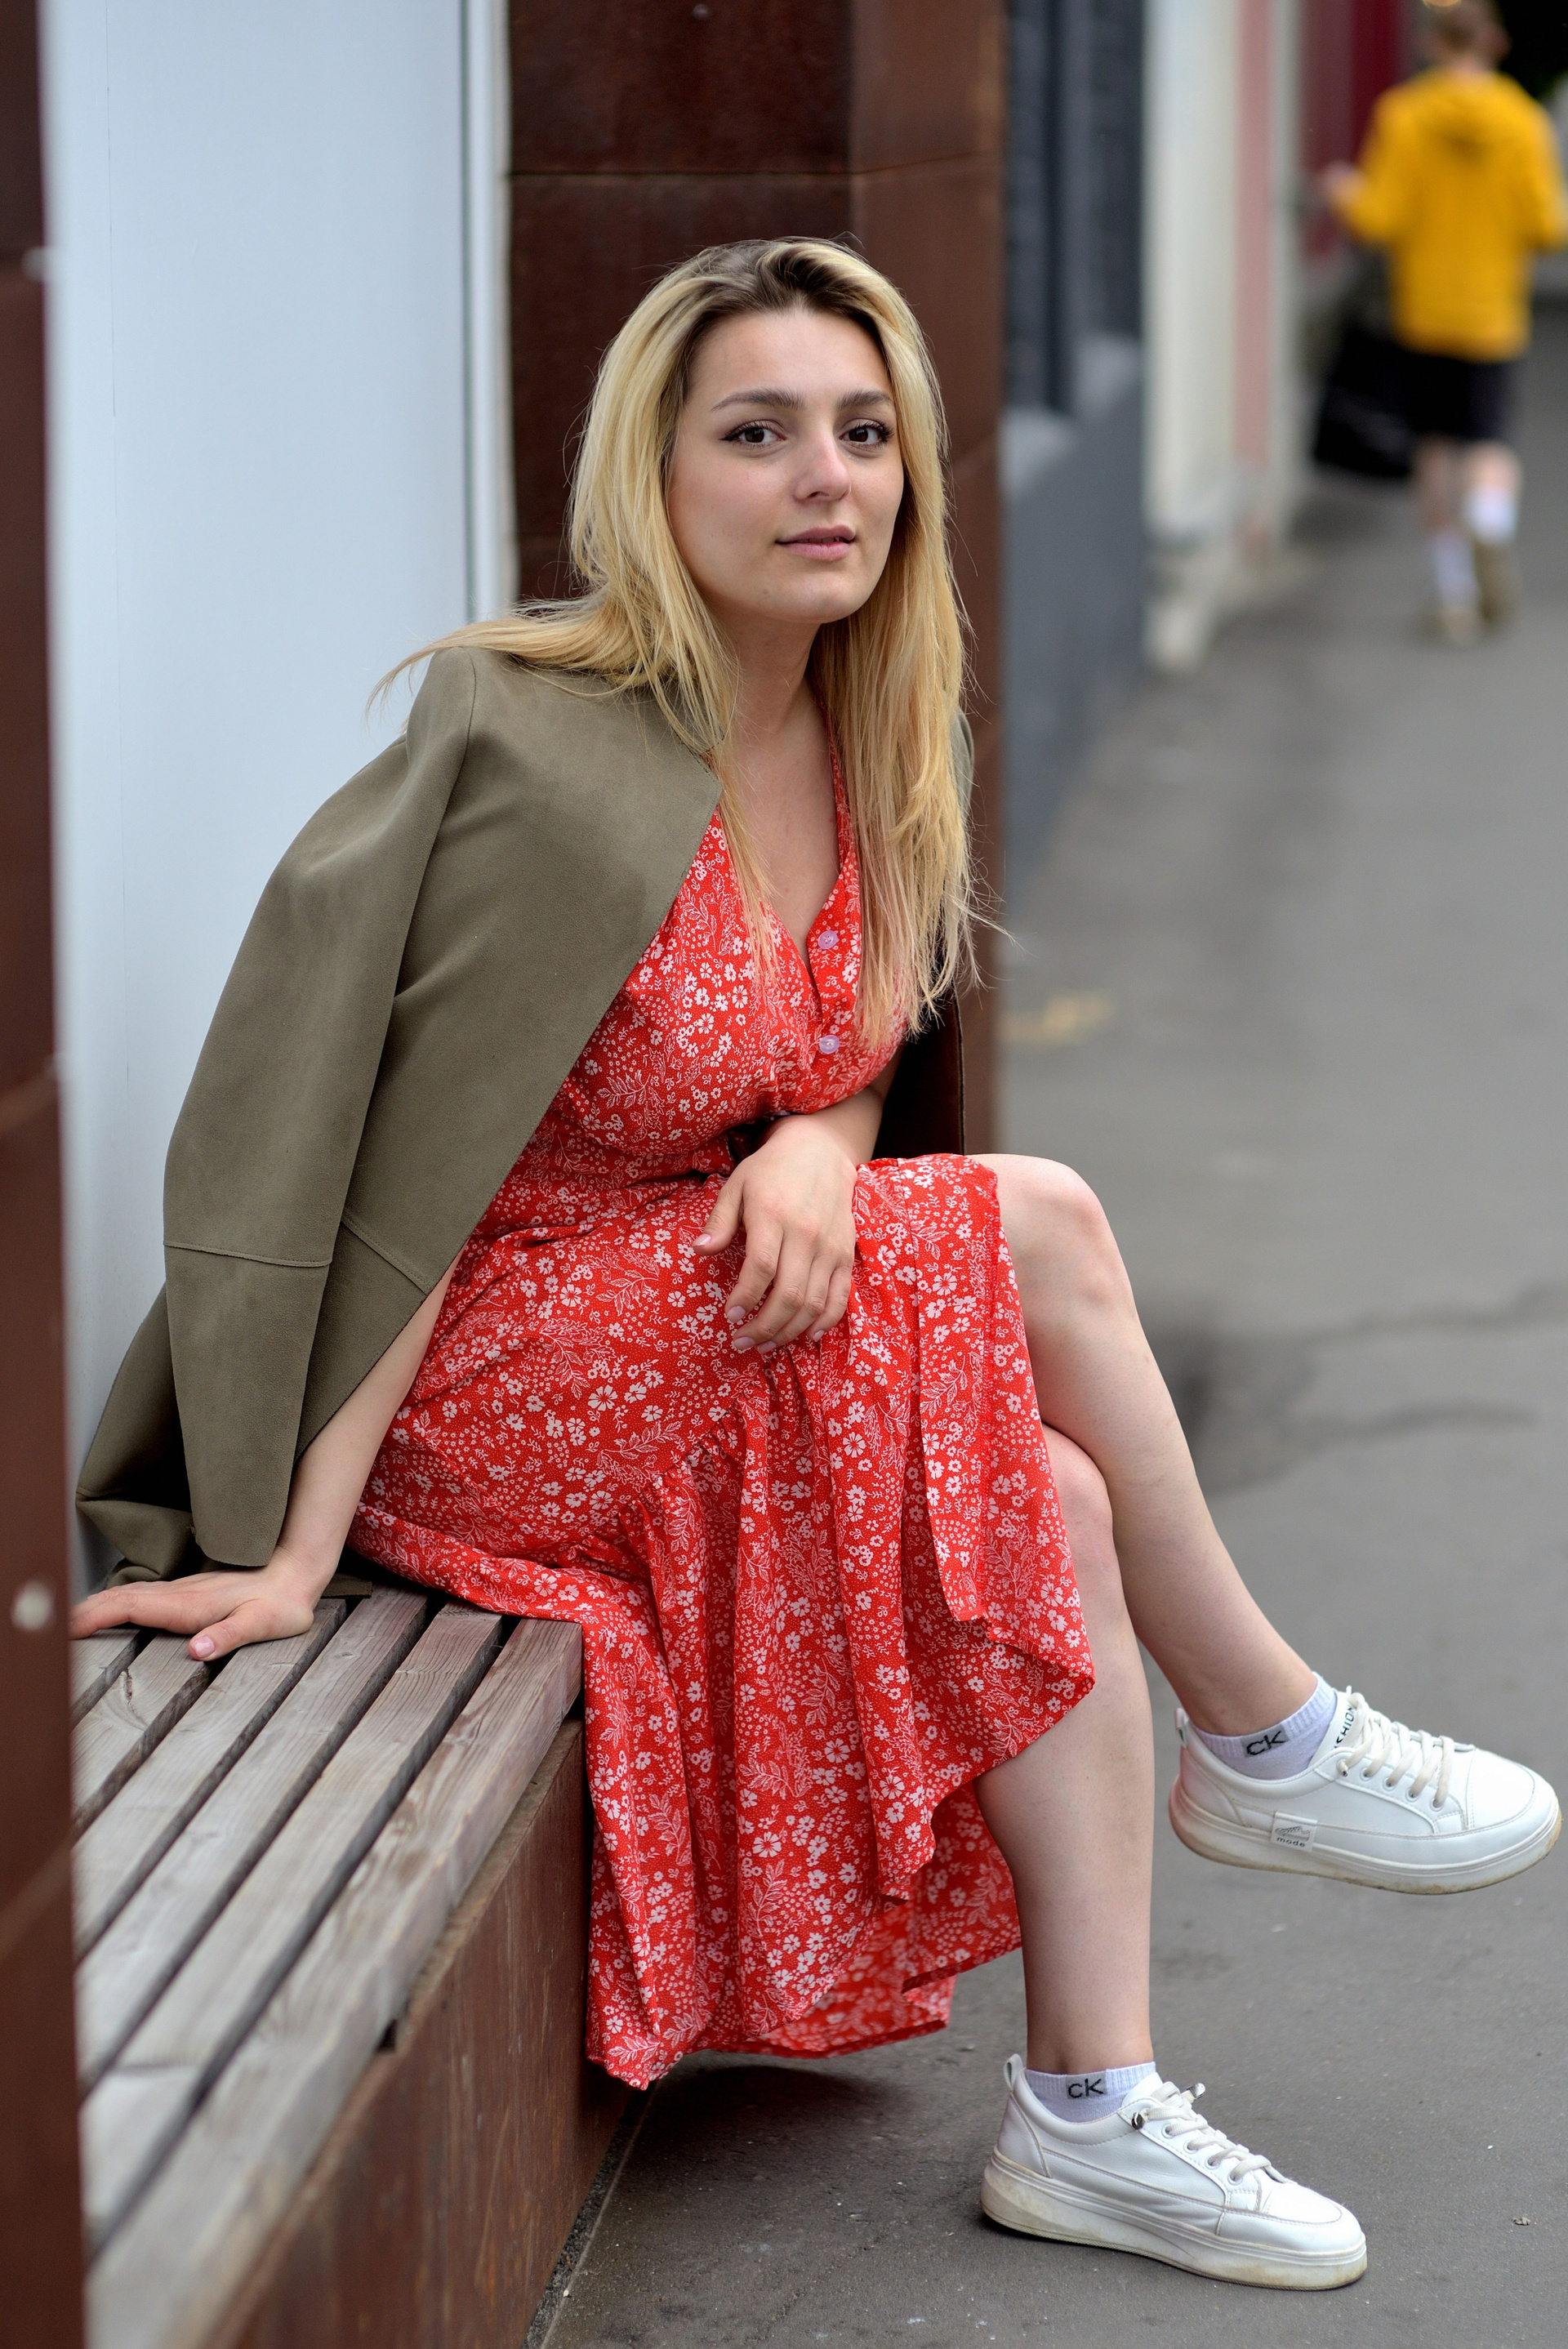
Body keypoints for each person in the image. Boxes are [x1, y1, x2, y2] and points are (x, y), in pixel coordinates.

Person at [72, 239, 1558, 2292]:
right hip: (478, 1362)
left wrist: (819, 1142)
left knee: (1052, 1500)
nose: (823, 477)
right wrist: (300, 1543)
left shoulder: (868, 720)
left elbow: (827, 1046)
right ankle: (1266, 1728)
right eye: (757, 432)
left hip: (683, 1300)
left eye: (863, 431)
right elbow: (398, 1167)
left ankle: (1092, 2105)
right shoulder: (535, 737)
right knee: (1038, 1220)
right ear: (655, 474)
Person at [1323, 0, 1567, 642]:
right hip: (1492, 313)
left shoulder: (1405, 115)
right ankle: (1490, 520)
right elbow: (1548, 225)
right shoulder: (1521, 120)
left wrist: (1343, 192)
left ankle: (1453, 590)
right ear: (1493, 42)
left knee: (1434, 446)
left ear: (1431, 44)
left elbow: (1379, 217)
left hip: (1424, 312)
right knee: (1488, 439)